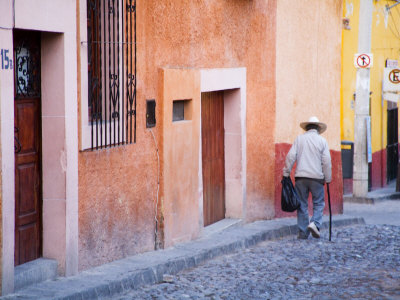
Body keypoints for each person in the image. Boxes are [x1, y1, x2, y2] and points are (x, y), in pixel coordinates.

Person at [283, 116, 332, 239]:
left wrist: (286, 172)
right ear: (318, 129)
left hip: (301, 177)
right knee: (319, 203)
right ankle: (315, 223)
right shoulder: (322, 141)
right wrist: (328, 178)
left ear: (307, 128)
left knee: (302, 204)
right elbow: (326, 161)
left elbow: (290, 156)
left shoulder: (299, 139)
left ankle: (303, 232)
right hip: (316, 178)